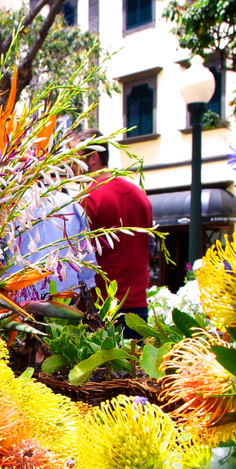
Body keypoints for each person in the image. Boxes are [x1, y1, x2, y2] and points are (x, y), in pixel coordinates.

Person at [74, 128, 153, 325]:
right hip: (138, 308)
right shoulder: (140, 196)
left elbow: (78, 258)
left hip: (100, 308)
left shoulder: (87, 199)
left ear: (94, 158)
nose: (72, 165)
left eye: (76, 157)